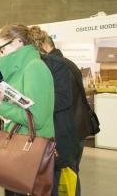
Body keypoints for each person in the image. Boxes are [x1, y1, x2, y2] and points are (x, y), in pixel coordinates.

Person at [0, 24, 55, 196]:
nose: (0, 54)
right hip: (21, 148)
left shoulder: (34, 67)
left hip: (31, 155)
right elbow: (23, 107)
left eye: (2, 48)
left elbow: (36, 118)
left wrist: (0, 105)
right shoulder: (24, 69)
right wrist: (1, 100)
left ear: (17, 43)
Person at [31, 28, 81, 196]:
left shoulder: (58, 64)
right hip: (67, 129)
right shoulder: (65, 63)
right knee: (65, 178)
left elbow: (64, 99)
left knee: (61, 180)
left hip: (60, 132)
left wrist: (33, 105)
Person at [42, 35, 93, 196]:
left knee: (65, 176)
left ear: (43, 46)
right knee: (71, 174)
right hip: (79, 127)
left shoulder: (55, 66)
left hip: (68, 129)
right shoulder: (69, 63)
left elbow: (61, 101)